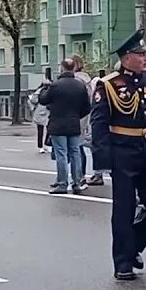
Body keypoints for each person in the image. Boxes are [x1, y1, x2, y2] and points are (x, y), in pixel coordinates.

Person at [90, 29, 146, 280]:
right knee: (124, 209)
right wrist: (102, 161)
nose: (145, 58)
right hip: (123, 151)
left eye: (145, 54)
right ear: (126, 58)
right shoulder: (109, 85)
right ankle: (123, 262)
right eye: (140, 54)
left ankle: (134, 245)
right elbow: (99, 125)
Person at [40, 59, 92, 195]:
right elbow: (87, 107)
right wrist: (76, 115)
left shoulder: (56, 85)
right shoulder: (80, 86)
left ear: (62, 68)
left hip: (58, 124)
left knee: (61, 154)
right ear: (73, 68)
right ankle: (77, 183)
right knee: (75, 154)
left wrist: (45, 87)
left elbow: (43, 99)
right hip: (74, 124)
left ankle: (62, 184)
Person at [70, 55, 101, 188]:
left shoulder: (76, 80)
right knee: (92, 145)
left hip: (78, 115)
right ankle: (98, 173)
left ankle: (79, 175)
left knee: (77, 146)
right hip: (88, 113)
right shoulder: (87, 79)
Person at [29, 78, 51, 154]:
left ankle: (41, 146)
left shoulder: (38, 91)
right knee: (49, 129)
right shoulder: (50, 90)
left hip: (40, 111)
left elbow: (33, 100)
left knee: (40, 130)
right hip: (48, 111)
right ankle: (46, 144)